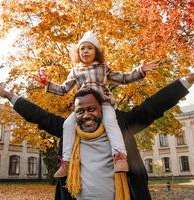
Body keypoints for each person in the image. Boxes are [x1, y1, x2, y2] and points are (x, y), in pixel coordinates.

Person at [0, 46, 194, 200]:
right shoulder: (70, 130)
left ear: (101, 108)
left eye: (91, 109)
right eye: (80, 111)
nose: (86, 115)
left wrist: (193, 75)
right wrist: (9, 95)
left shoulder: (120, 124)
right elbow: (38, 115)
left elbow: (155, 105)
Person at [33, 31, 158, 177]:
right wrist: (46, 83)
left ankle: (120, 157)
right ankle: (66, 162)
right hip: (83, 107)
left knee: (111, 121)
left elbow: (123, 78)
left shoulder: (102, 68)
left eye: (89, 48)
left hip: (103, 104)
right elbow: (63, 89)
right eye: (82, 48)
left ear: (96, 52)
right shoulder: (75, 71)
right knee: (67, 125)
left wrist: (140, 70)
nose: (85, 51)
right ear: (78, 53)